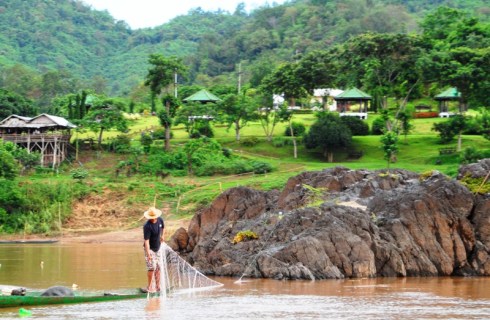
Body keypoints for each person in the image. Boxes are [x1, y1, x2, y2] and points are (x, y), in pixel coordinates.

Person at [143, 207, 165, 293]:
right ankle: (149, 287)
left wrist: (162, 236)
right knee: (151, 268)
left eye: (154, 217)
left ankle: (158, 287)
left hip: (158, 248)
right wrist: (148, 254)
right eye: (151, 217)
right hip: (150, 249)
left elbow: (163, 227)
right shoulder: (147, 226)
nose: (153, 219)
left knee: (158, 268)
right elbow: (146, 241)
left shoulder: (160, 220)